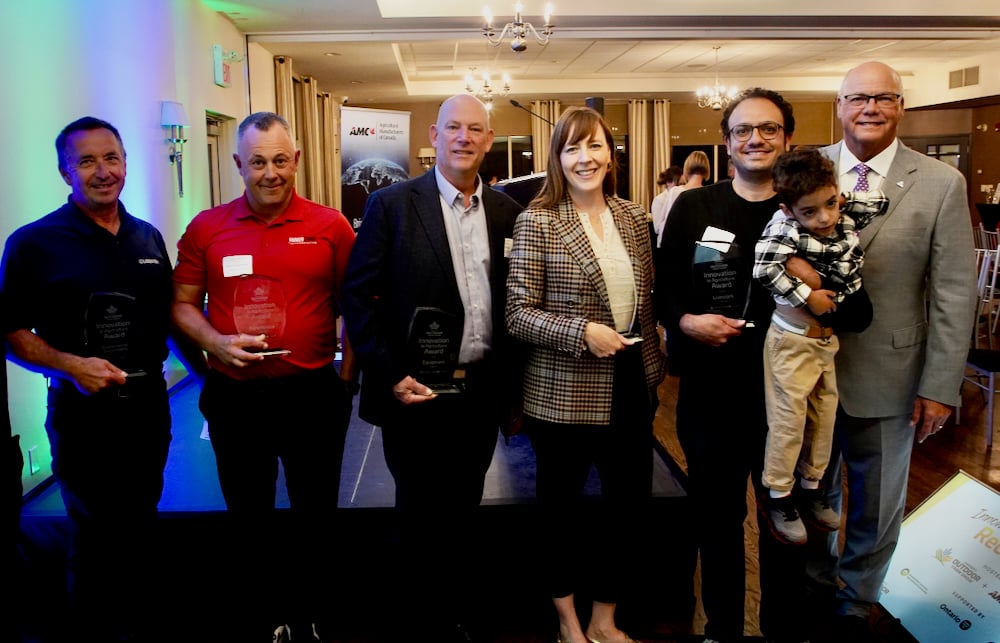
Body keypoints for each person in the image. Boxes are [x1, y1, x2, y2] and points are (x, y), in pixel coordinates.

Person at [802, 61, 977, 641]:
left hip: (894, 372)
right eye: (858, 98)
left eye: (884, 98)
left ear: (901, 106)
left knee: (876, 504)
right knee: (813, 494)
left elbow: (954, 290)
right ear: (840, 104)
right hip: (809, 374)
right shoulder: (808, 170)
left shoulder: (939, 182)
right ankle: (815, 588)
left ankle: (856, 602)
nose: (870, 108)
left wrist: (941, 385)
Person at [340, 94, 523, 642]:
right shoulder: (393, 205)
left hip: (479, 394)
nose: (464, 138)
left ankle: (457, 617)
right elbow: (357, 295)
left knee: (464, 512)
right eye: (453, 128)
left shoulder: (509, 214)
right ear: (434, 136)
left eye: (475, 129)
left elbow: (511, 307)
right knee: (418, 517)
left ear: (489, 140)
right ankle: (419, 625)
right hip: (414, 393)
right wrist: (389, 372)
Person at [172, 111, 357, 641]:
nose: (270, 172)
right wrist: (214, 344)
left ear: (296, 160)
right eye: (257, 162)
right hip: (238, 397)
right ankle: (266, 617)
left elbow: (356, 302)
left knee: (315, 515)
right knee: (249, 517)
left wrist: (347, 374)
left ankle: (313, 616)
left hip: (312, 395)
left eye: (279, 160)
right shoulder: (207, 228)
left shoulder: (331, 226)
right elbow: (181, 305)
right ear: (238, 165)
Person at [0, 116, 174, 640]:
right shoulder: (34, 242)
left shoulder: (147, 236)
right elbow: (11, 331)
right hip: (82, 418)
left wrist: (213, 370)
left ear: (126, 163)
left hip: (148, 408)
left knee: (141, 525)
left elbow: (168, 316)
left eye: (112, 158)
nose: (103, 171)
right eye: (87, 161)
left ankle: (141, 630)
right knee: (96, 535)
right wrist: (72, 366)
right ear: (64, 170)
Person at [506, 105, 664, 643]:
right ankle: (568, 623)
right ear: (557, 158)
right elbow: (518, 311)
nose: (584, 158)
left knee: (627, 511)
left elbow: (649, 300)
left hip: (631, 384)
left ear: (610, 153)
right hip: (563, 390)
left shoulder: (634, 217)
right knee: (560, 514)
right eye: (571, 148)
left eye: (593, 145)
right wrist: (581, 332)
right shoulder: (539, 220)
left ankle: (604, 620)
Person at [655, 88, 808, 643]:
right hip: (711, 395)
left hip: (786, 399)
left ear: (787, 139)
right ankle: (722, 627)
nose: (756, 139)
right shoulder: (695, 208)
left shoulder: (806, 208)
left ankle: (784, 628)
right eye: (744, 130)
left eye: (769, 129)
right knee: (717, 522)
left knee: (784, 522)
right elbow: (664, 288)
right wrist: (687, 322)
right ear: (726, 143)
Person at [752, 147, 888, 545]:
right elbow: (763, 268)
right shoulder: (785, 228)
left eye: (830, 204)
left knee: (824, 418)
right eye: (810, 212)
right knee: (788, 421)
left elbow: (882, 201)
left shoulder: (842, 212)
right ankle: (779, 494)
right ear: (789, 209)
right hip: (792, 341)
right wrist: (806, 296)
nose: (825, 218)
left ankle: (811, 488)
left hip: (827, 342)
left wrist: (845, 198)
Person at [655, 151, 710, 248]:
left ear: (687, 168)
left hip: (676, 248)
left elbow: (665, 224)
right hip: (698, 248)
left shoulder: (675, 192)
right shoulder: (708, 194)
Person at [651, 165, 682, 244]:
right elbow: (657, 228)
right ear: (668, 182)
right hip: (665, 242)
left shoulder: (682, 197)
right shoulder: (659, 200)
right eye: (678, 183)